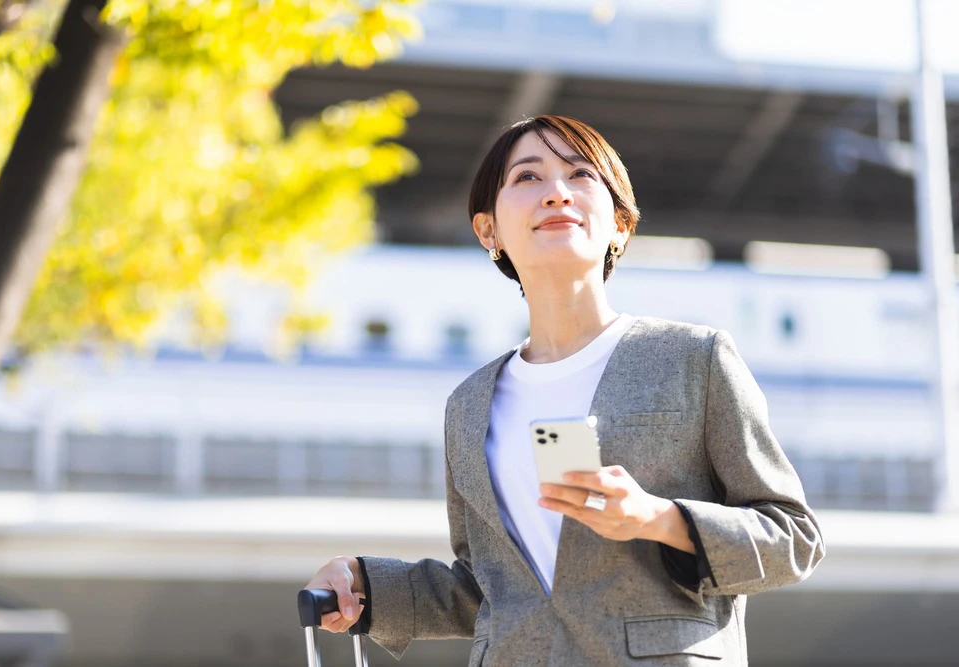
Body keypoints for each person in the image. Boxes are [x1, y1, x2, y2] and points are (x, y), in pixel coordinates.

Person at [305, 115, 825, 666]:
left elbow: (793, 538)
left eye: (580, 175)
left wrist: (656, 519)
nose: (556, 194)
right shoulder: (469, 404)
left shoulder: (692, 359)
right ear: (489, 231)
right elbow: (493, 587)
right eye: (528, 178)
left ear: (620, 224)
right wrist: (369, 584)